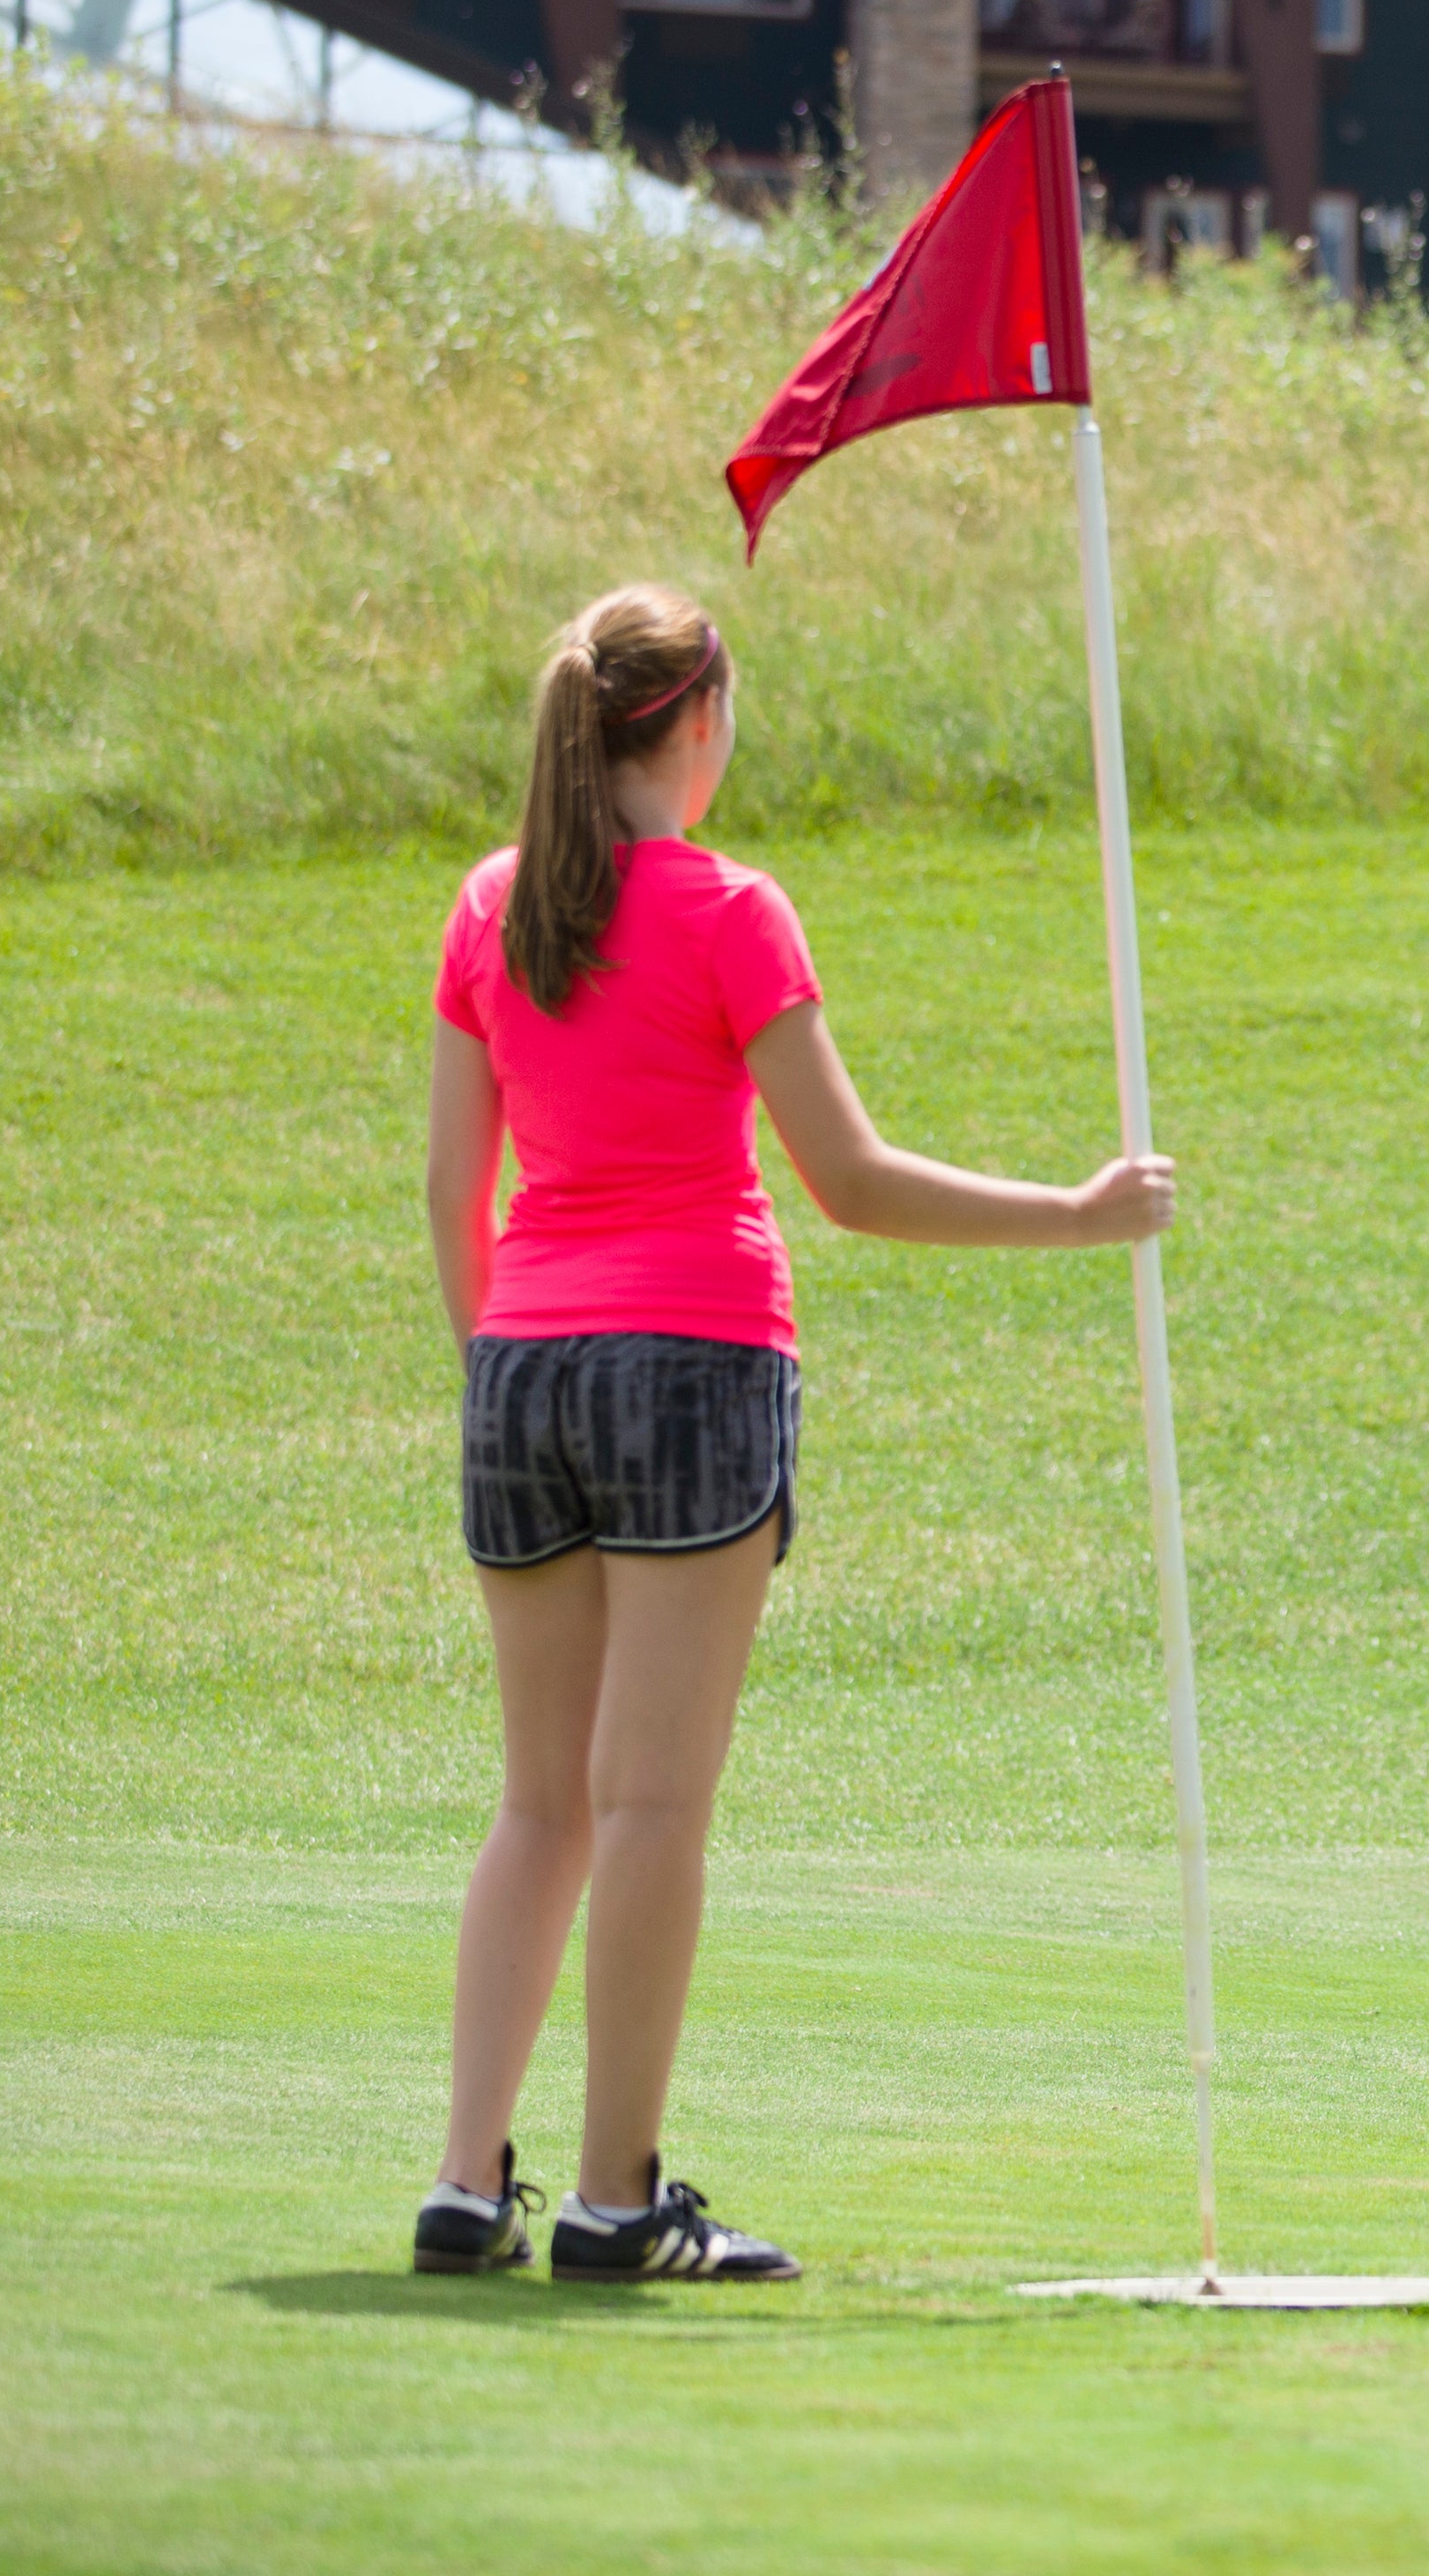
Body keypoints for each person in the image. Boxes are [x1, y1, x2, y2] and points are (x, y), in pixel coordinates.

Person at [413, 583, 1173, 2281]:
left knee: (541, 1804)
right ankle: (615, 2201)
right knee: (650, 1807)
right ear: (697, 724)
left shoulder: (491, 904)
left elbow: (453, 1200)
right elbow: (852, 1180)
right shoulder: (731, 907)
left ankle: (467, 2183)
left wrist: (508, 1364)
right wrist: (1079, 1211)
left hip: (522, 1370)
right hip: (690, 1358)